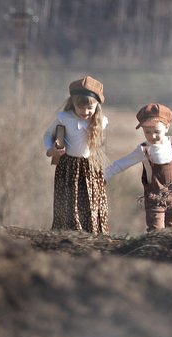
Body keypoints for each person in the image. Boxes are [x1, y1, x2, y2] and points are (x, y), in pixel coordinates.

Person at [104, 103, 172, 232]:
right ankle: (154, 251)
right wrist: (103, 175)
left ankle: (171, 251)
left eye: (157, 131)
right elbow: (121, 164)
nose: (152, 136)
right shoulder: (143, 150)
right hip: (155, 198)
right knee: (155, 231)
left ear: (167, 128)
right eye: (147, 132)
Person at [42, 76, 110, 234]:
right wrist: (51, 150)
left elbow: (101, 146)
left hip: (91, 168)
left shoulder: (102, 121)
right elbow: (47, 135)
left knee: (91, 202)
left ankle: (92, 232)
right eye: (81, 107)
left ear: (97, 105)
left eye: (90, 108)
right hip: (68, 167)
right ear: (73, 103)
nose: (85, 112)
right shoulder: (64, 118)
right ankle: (70, 233)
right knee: (69, 202)